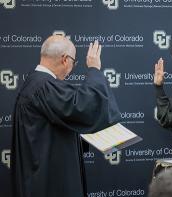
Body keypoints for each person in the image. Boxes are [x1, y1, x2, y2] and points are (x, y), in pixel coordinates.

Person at [11, 35, 120, 197]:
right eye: (74, 62)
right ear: (65, 60)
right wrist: (94, 70)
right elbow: (84, 107)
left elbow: (61, 122)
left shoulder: (34, 82)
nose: (72, 68)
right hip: (48, 182)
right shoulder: (45, 86)